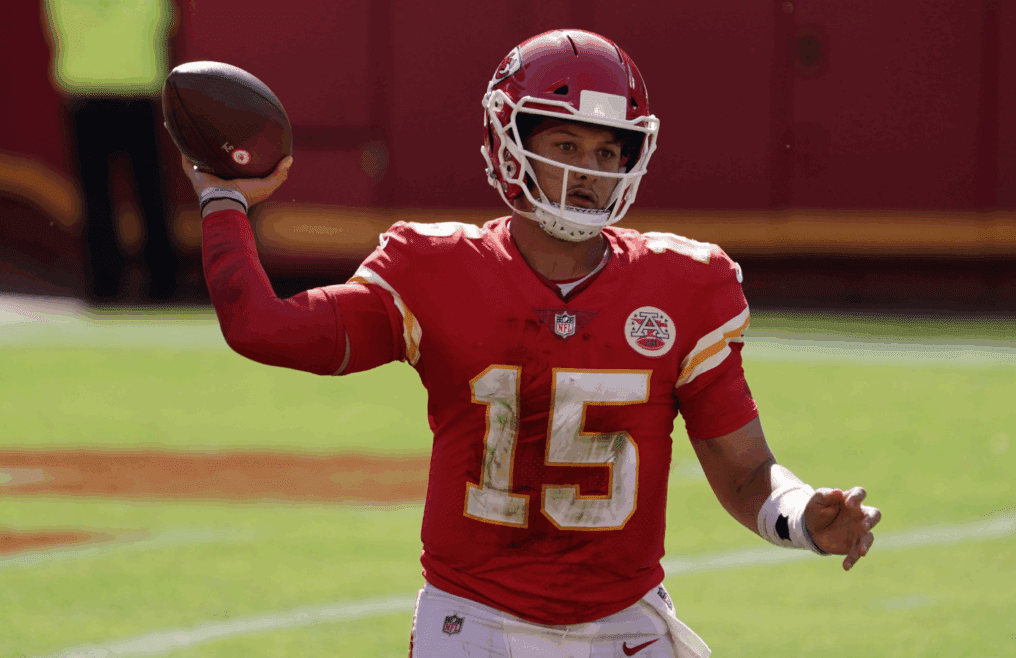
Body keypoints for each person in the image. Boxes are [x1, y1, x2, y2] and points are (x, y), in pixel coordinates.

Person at [182, 29, 881, 658]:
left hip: (625, 627)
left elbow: (746, 471)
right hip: (475, 625)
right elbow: (264, 328)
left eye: (608, 150)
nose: (591, 170)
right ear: (508, 143)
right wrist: (223, 199)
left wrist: (798, 516)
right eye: (567, 146)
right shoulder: (435, 269)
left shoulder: (684, 285)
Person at [43, 0, 180, 301]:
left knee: (97, 199)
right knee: (151, 194)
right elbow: (168, 22)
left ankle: (104, 288)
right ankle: (164, 287)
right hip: (137, 91)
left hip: (85, 91)